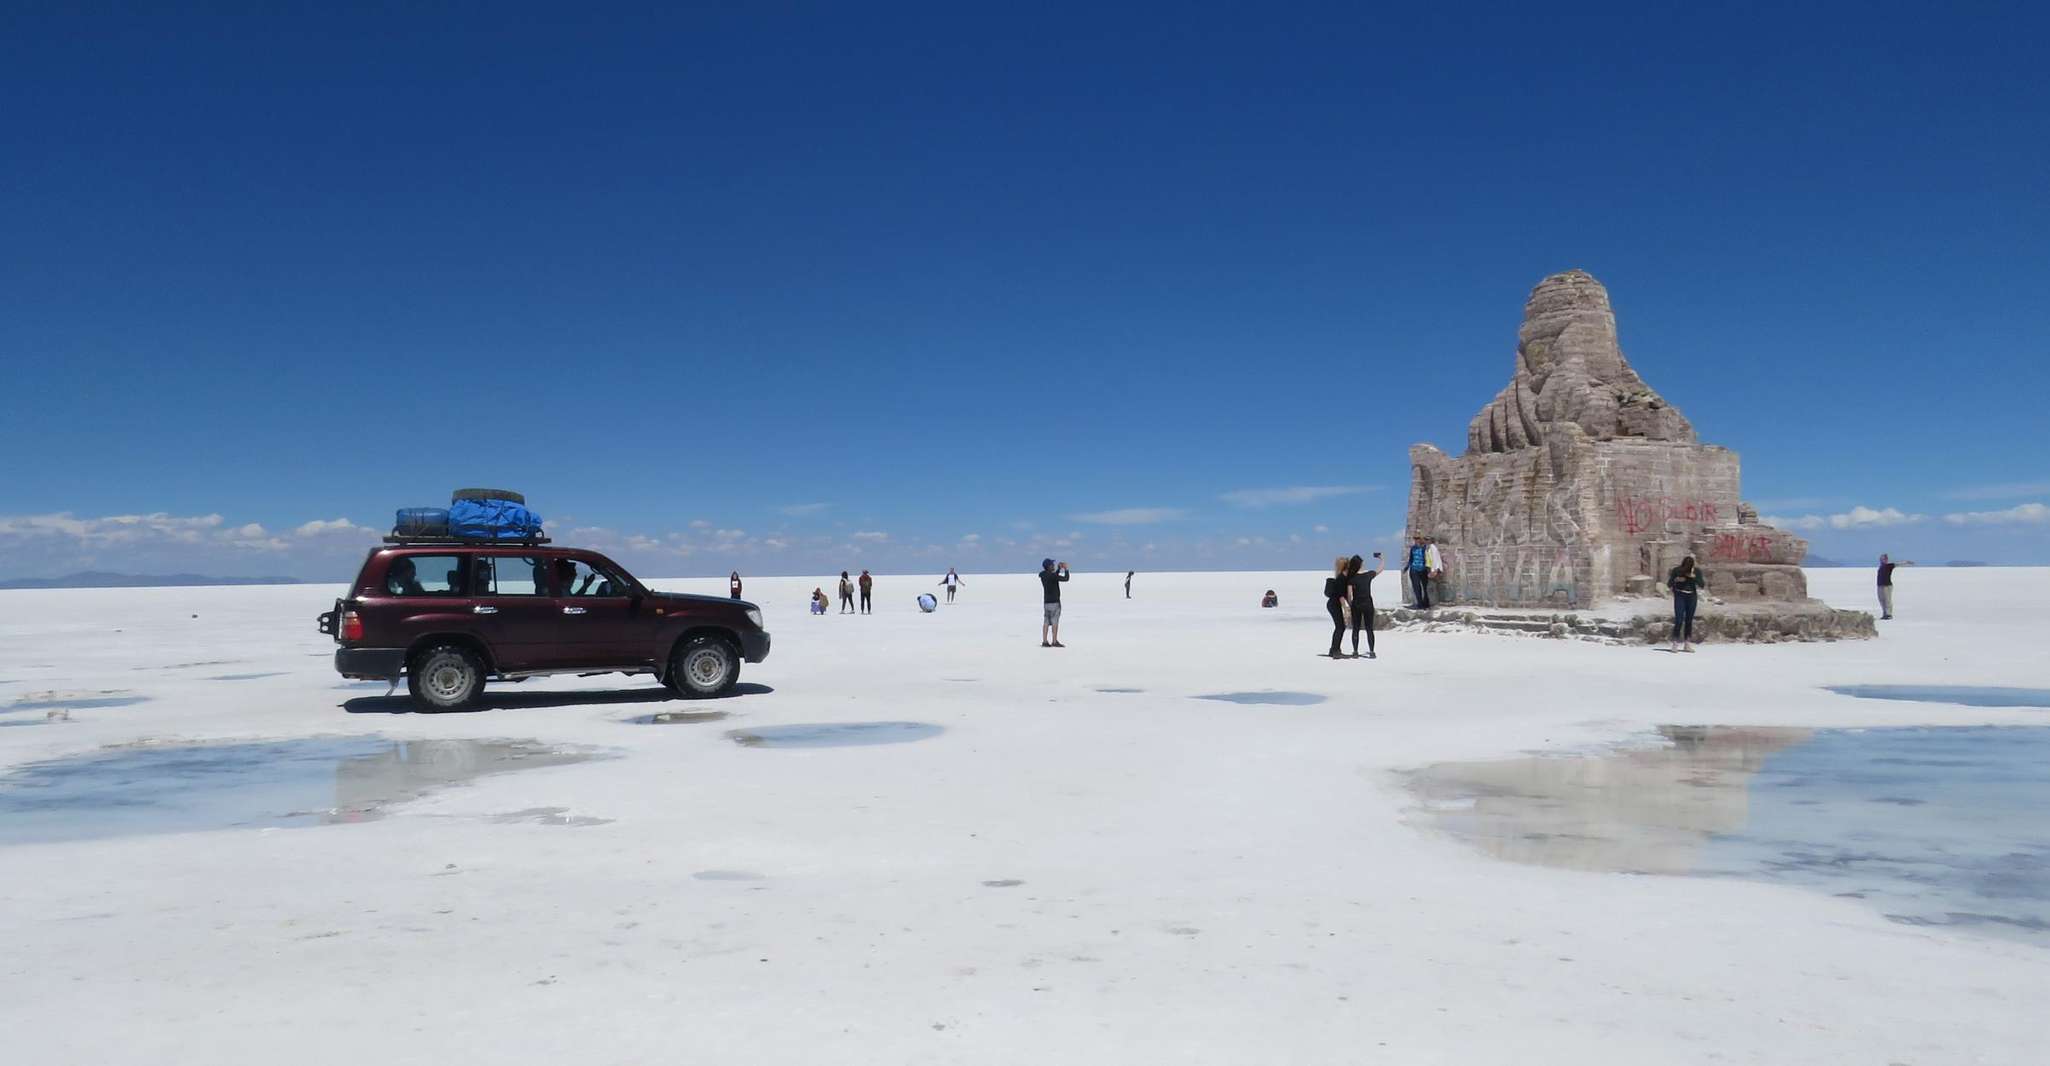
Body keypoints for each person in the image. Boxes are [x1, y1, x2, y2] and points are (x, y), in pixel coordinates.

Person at [1348, 552, 1385, 658]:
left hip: (1356, 605)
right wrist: (1382, 559)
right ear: (1360, 564)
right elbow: (1380, 569)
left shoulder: (1352, 578)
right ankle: (1372, 652)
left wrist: (1351, 605)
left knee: (1356, 628)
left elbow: (1349, 595)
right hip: (1368, 604)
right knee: (1369, 629)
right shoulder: (1368, 575)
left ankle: (1355, 652)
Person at [1668, 555, 1706, 652]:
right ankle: (1675, 643)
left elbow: (1702, 585)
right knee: (1679, 619)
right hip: (1680, 595)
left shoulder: (1696, 571)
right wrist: (1676, 580)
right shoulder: (1677, 570)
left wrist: (1694, 578)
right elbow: (1669, 584)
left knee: (1689, 620)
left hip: (1692, 596)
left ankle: (1687, 644)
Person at [1039, 558, 1070, 647]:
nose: (1053, 565)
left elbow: (1053, 577)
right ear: (1049, 566)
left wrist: (1059, 569)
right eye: (1052, 565)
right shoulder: (1052, 576)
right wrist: (1066, 569)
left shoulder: (1043, 575)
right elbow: (1065, 578)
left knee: (1046, 622)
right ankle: (1054, 641)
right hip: (1055, 602)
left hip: (1046, 602)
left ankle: (1044, 641)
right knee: (1055, 622)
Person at [1324, 556, 1350, 657]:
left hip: (1333, 604)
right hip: (1334, 604)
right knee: (1340, 627)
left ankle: (1334, 649)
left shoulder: (1342, 577)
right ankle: (1335, 650)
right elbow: (1341, 596)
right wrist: (1345, 609)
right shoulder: (1341, 578)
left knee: (1340, 627)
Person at [1876, 554, 1915, 619]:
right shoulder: (1881, 567)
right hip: (1880, 586)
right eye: (1880, 559)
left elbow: (1898, 564)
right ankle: (1885, 613)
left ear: (1886, 559)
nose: (1881, 560)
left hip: (1887, 586)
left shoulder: (1889, 565)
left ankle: (1889, 614)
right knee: (1881, 600)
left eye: (1882, 559)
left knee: (1887, 600)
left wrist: (1906, 562)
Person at [1405, 536, 1434, 609]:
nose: (1416, 540)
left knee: (1425, 587)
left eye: (1417, 538)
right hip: (1414, 569)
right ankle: (1420, 604)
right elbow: (1411, 559)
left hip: (1423, 569)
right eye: (1415, 539)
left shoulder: (1425, 548)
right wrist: (1407, 566)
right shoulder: (1413, 548)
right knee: (1416, 587)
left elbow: (1429, 558)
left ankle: (1426, 603)